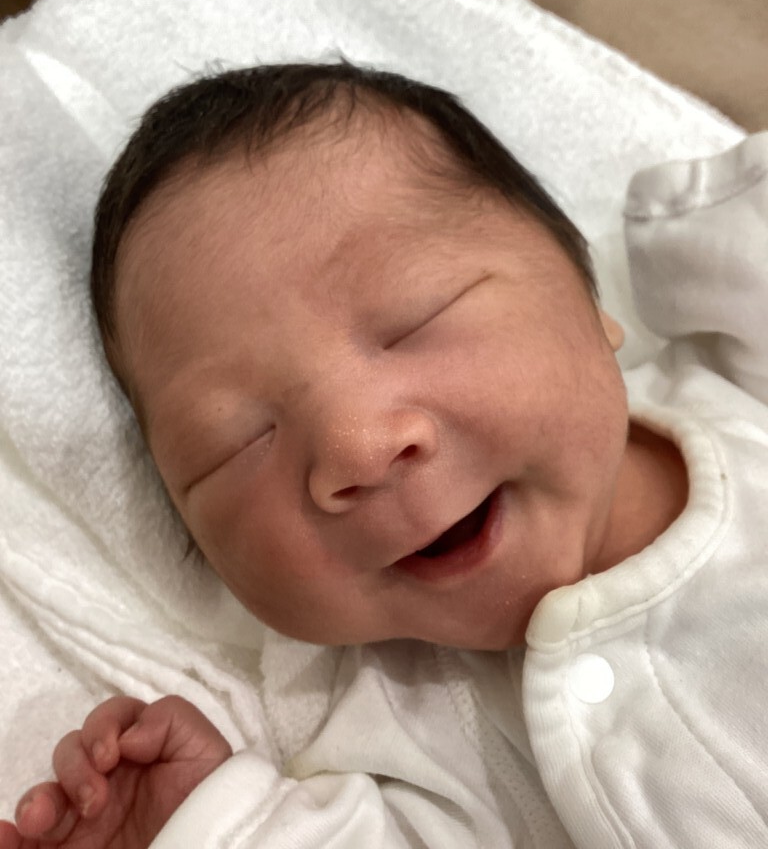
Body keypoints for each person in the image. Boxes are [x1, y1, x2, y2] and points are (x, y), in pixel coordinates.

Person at [1, 62, 766, 849]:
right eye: (237, 441)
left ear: (591, 301)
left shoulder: (744, 385)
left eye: (416, 317)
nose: (357, 450)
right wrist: (210, 825)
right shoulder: (401, 733)